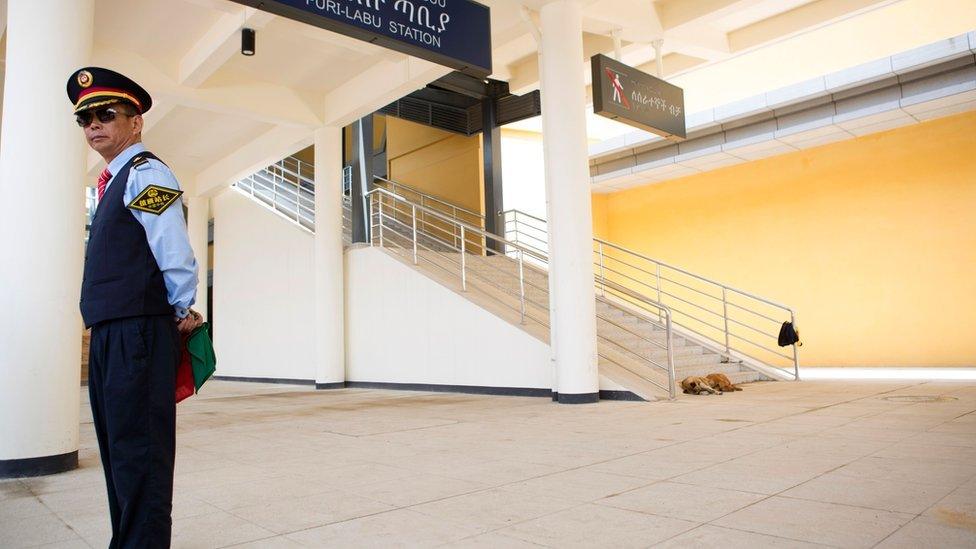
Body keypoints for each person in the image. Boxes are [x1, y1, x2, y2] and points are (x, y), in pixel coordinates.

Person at [68, 66, 202, 548]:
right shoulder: (111, 181)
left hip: (138, 332)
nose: (94, 125)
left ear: (136, 121)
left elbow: (173, 247)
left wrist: (181, 307)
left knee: (140, 456)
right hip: (111, 332)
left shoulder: (147, 172)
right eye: (85, 120)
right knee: (119, 454)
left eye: (106, 114)